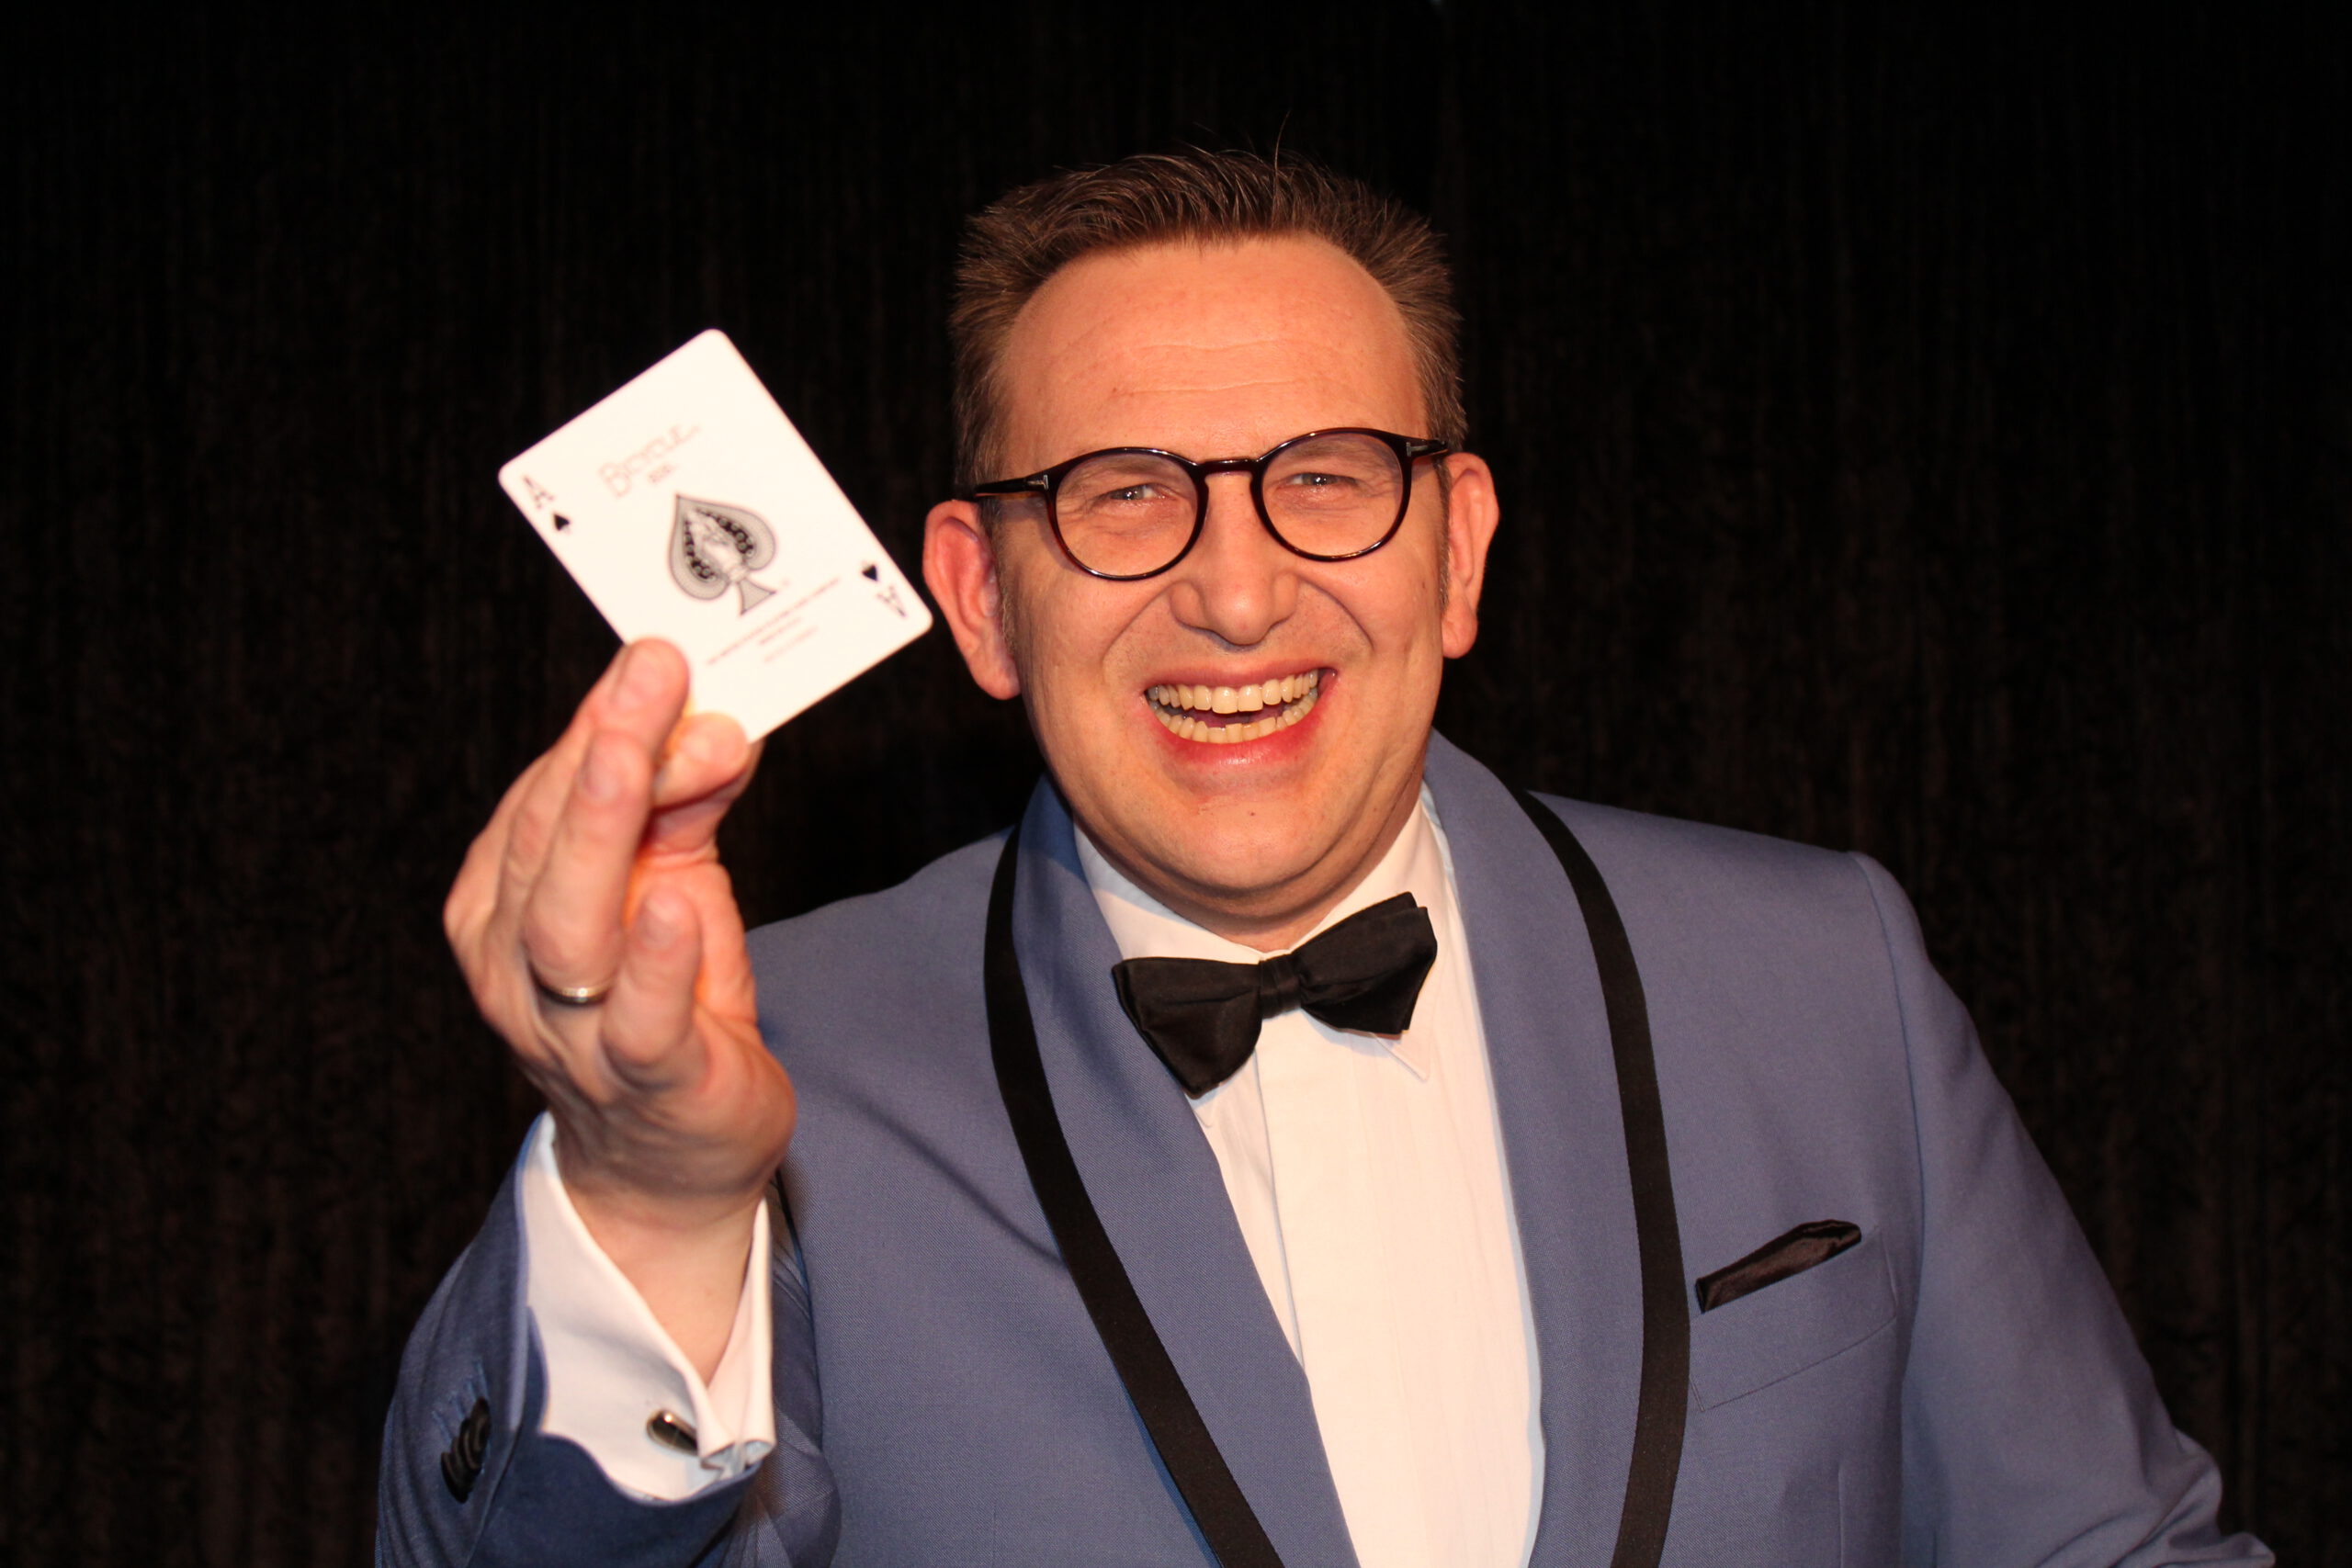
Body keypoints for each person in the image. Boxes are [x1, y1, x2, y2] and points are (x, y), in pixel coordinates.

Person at [379, 151, 2270, 1567]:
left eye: (1327, 478)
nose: (1234, 589)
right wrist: (649, 1196)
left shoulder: (1823, 975)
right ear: (981, 596)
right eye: (1123, 493)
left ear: (1457, 550)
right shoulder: (753, 1064)